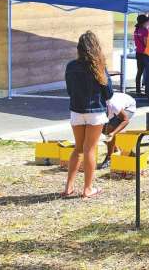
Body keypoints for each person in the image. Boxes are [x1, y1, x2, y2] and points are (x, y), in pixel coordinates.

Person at [62, 31, 113, 199]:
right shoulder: (99, 67)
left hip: (76, 111)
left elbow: (70, 91)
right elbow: (109, 93)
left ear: (79, 48)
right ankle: (87, 189)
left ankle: (68, 187)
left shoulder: (71, 66)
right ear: (95, 47)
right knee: (89, 149)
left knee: (78, 149)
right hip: (95, 113)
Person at [98, 90, 137, 169]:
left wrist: (113, 133)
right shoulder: (96, 105)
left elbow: (125, 120)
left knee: (110, 128)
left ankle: (109, 157)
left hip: (129, 107)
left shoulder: (113, 105)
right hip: (115, 106)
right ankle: (119, 151)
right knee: (99, 131)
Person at [132, 14, 149, 95]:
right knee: (148, 72)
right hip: (145, 53)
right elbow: (146, 43)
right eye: (147, 21)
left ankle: (138, 90)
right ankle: (148, 90)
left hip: (138, 53)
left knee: (139, 72)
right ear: (144, 22)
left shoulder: (136, 30)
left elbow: (136, 42)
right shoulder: (145, 30)